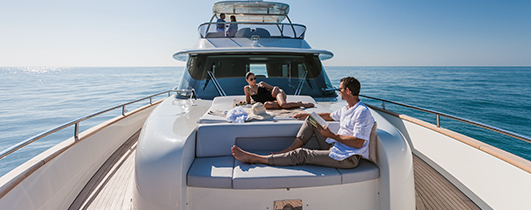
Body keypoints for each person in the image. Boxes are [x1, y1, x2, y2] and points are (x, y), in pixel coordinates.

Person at [233, 77, 375, 169]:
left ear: (348, 91)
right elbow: (330, 115)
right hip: (337, 147)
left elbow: (358, 142)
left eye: (341, 89)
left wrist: (332, 134)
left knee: (302, 154)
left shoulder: (361, 112)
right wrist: (307, 114)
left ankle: (256, 159)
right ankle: (288, 151)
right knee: (312, 120)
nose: (339, 92)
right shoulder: (347, 108)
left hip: (347, 157)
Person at [244, 72, 314, 109]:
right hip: (270, 102)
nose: (254, 80)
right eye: (251, 79)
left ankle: (303, 104)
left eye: (255, 78)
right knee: (266, 105)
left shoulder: (261, 84)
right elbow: (248, 101)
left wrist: (274, 89)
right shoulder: (247, 89)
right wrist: (243, 103)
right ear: (247, 80)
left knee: (283, 105)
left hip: (278, 94)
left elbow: (275, 87)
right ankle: (293, 104)